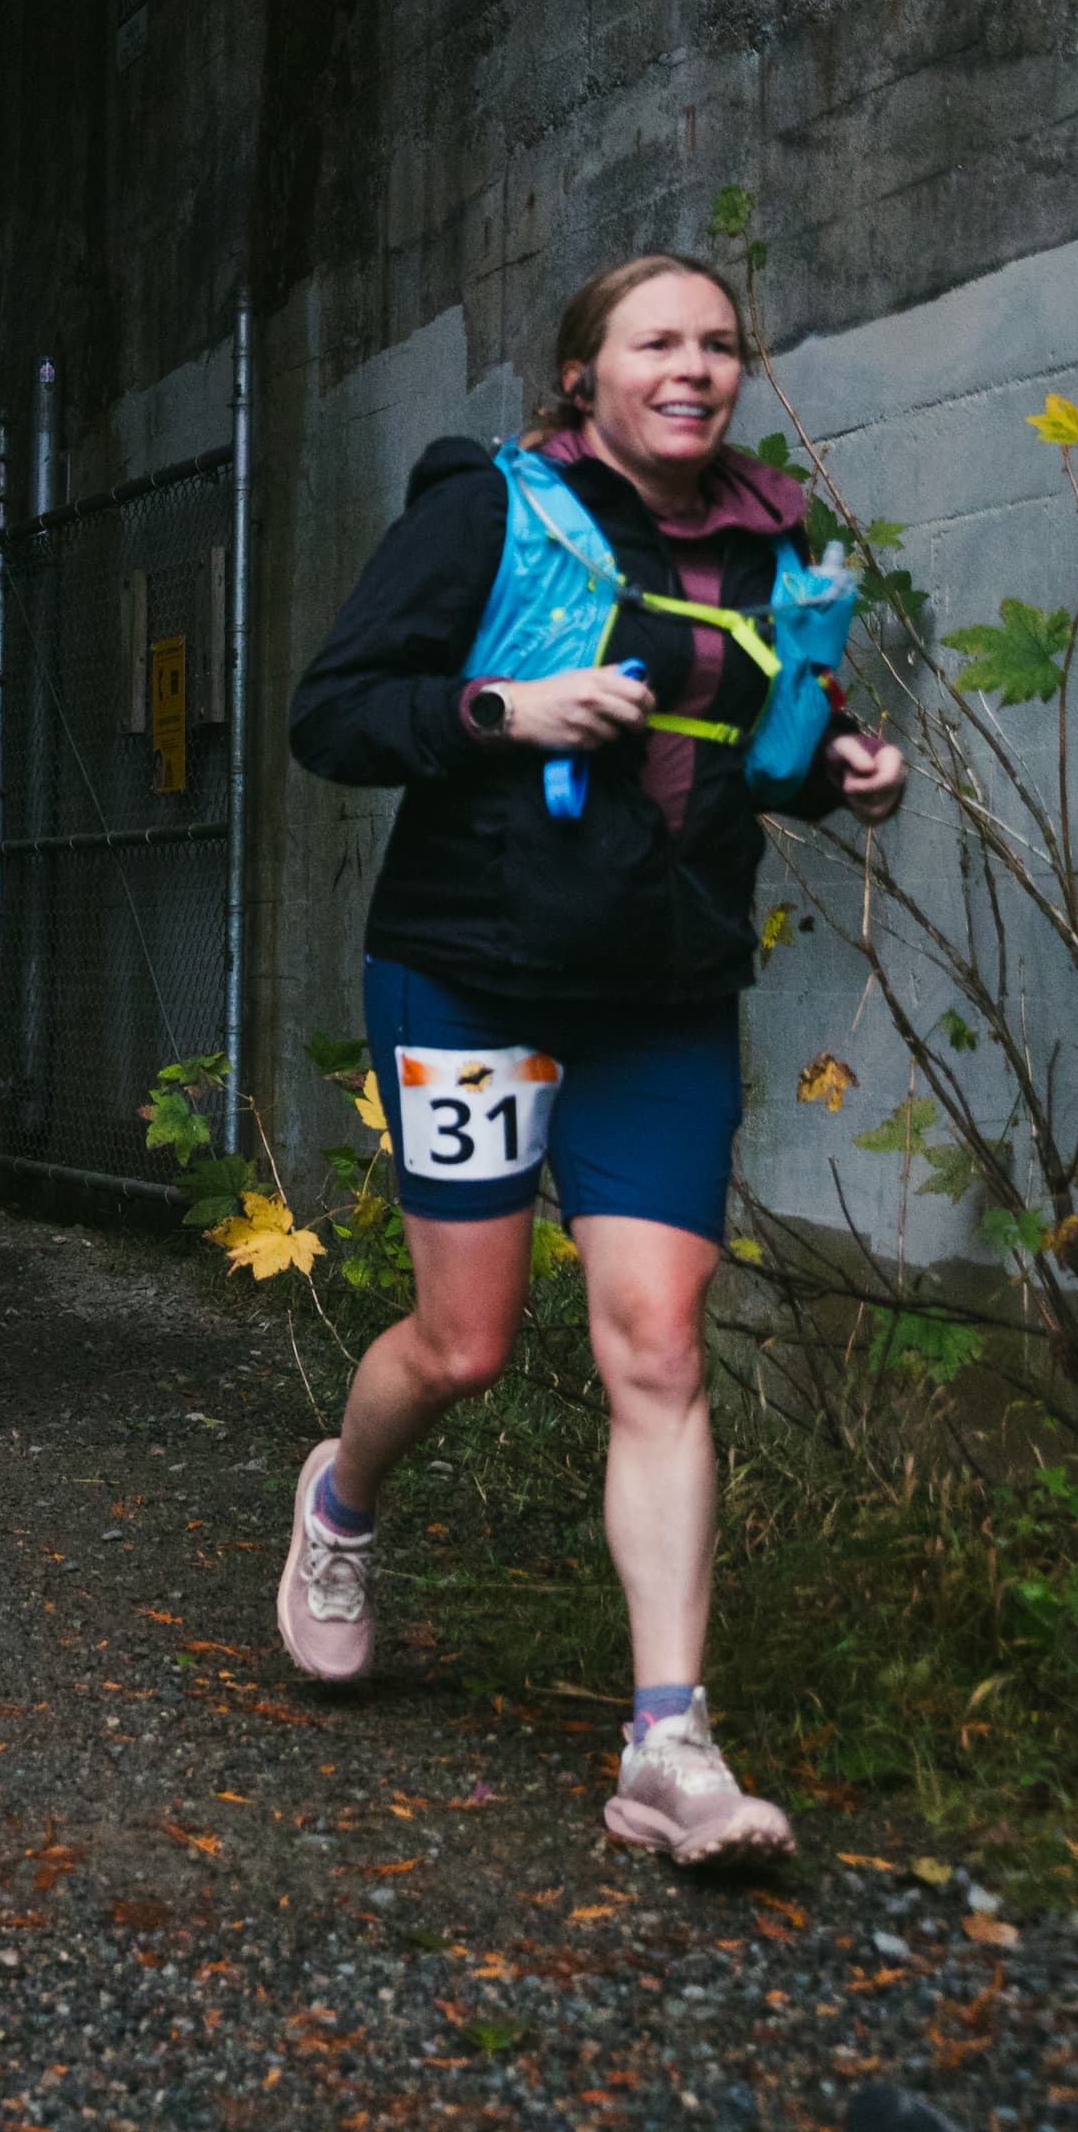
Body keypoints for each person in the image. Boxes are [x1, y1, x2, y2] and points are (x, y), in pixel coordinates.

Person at [282, 251, 907, 1866]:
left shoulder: (769, 541)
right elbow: (335, 714)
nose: (693, 368)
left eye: (718, 344)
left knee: (658, 1348)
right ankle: (342, 1504)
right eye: (656, 343)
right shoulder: (490, 512)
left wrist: (846, 773)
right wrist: (505, 713)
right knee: (466, 1344)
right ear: (587, 376)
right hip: (475, 971)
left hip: (664, 993)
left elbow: (751, 755)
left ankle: (669, 1750)